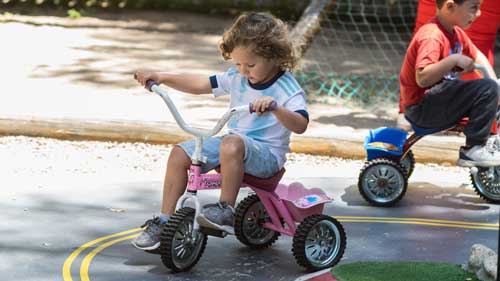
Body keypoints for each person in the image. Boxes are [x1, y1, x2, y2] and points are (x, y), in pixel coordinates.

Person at [131, 12, 309, 250]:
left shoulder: (287, 88)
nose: (243, 71)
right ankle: (164, 220)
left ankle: (226, 209)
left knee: (231, 143)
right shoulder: (238, 76)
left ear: (274, 56)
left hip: (267, 156)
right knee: (179, 154)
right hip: (233, 146)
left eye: (251, 65)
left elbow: (301, 124)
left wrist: (276, 108)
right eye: (237, 64)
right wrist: (163, 77)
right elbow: (201, 84)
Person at [399, 0, 500, 167]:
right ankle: (474, 149)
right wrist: (453, 59)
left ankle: (486, 141)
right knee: (486, 89)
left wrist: (495, 87)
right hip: (422, 108)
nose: (479, 13)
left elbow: (477, 56)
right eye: (474, 8)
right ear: (450, 6)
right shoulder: (432, 36)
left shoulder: (456, 34)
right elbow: (422, 78)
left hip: (435, 101)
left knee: (491, 87)